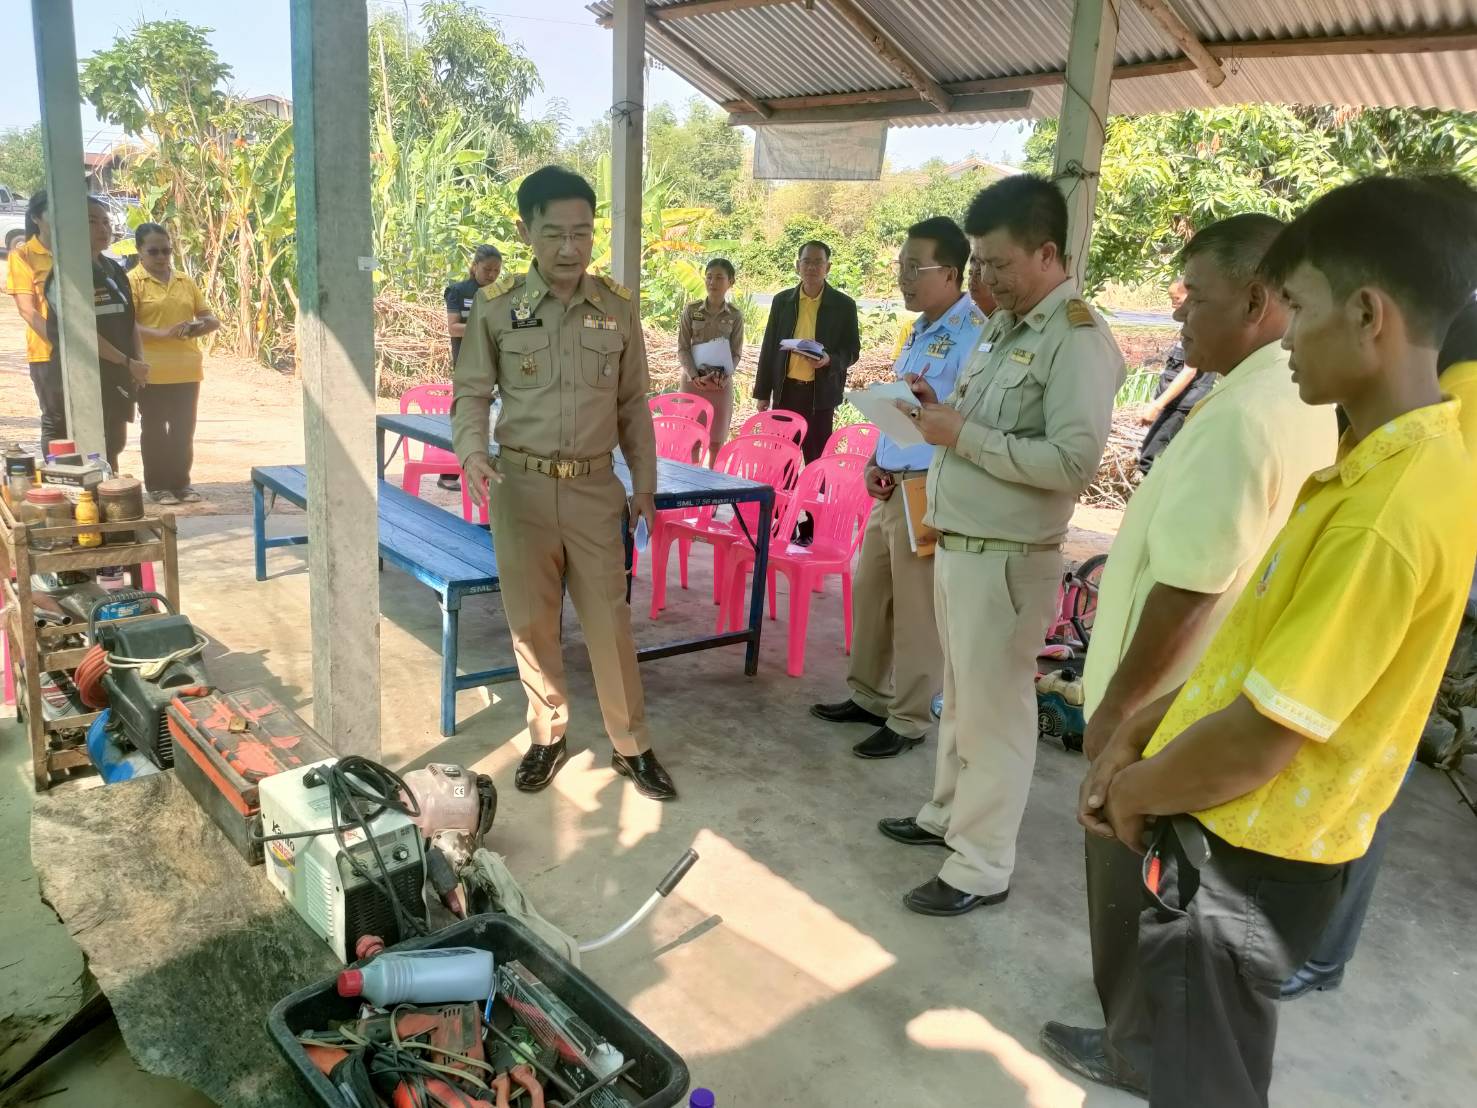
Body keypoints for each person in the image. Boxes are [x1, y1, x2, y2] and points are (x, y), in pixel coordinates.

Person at [1044, 175, 1477, 1107]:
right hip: (1230, 828)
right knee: (1196, 1054)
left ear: (1367, 315)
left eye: (1302, 305)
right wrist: (1143, 722)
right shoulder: (1373, 462)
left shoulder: (1389, 510)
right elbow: (1249, 651)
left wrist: (1134, 788)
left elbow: (1261, 735)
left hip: (1248, 851)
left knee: (1206, 1078)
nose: (1286, 332)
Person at [1043, 214, 1336, 1090]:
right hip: (1205, 700)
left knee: (1139, 881)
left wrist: (1116, 718)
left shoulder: (1246, 414)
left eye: (1195, 299)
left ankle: (1133, 1046)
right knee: (1174, 896)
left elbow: (1190, 589)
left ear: (1256, 299)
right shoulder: (1291, 395)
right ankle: (1147, 1034)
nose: (1179, 321)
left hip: (1168, 707)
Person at [877, 175, 1124, 916]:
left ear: (1046, 253)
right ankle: (947, 816)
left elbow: (1072, 463)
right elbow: (984, 429)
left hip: (1010, 557)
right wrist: (940, 416)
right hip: (962, 544)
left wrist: (965, 436)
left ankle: (980, 865)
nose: (982, 278)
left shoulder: (1076, 338)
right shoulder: (1005, 326)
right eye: (977, 264)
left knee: (997, 715)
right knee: (964, 704)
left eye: (996, 264)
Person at [451, 165, 674, 801]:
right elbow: (470, 395)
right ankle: (548, 736)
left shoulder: (617, 309)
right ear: (527, 233)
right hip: (519, 487)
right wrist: (471, 454)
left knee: (610, 620)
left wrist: (645, 487)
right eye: (555, 235)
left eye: (583, 233)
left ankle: (631, 746)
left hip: (596, 488)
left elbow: (634, 406)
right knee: (532, 623)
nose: (571, 249)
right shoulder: (497, 311)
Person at [1280, 291, 1477, 1001]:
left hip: (1418, 606)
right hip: (1419, 598)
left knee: (1360, 775)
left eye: (1301, 308)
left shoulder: (1457, 397)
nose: (1289, 335)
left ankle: (1320, 953)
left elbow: (1429, 521)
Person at [810, 217, 985, 760]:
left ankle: (908, 719)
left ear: (951, 272)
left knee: (915, 611)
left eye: (916, 268)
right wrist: (873, 459)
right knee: (872, 594)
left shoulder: (975, 334)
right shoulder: (921, 331)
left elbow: (965, 418)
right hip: (891, 485)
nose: (904, 278)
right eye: (901, 267)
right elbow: (902, 409)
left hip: (929, 489)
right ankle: (867, 695)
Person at [43, 196, 148, 474]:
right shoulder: (66, 275)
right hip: (77, 379)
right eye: (92, 221)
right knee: (73, 457)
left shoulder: (114, 269)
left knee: (111, 447)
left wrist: (138, 361)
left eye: (106, 221)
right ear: (74, 226)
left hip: (116, 378)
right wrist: (128, 362)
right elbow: (83, 333)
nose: (103, 228)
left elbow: (130, 321)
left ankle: (109, 502)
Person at [128, 222, 220, 504]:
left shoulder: (184, 281)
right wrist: (161, 333)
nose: (161, 257)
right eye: (153, 251)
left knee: (183, 429)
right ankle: (157, 486)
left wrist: (197, 327)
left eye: (166, 251)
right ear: (139, 252)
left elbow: (210, 318)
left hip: (186, 368)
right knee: (155, 429)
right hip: (151, 370)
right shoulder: (132, 281)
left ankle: (181, 484)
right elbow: (125, 324)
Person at [752, 240, 861, 464]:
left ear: (828, 267)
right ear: (797, 266)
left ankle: (814, 498)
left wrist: (830, 359)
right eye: (806, 262)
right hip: (786, 392)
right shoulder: (782, 301)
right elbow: (769, 346)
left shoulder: (844, 305)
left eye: (818, 262)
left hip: (820, 395)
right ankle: (783, 499)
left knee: (817, 458)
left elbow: (852, 350)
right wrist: (763, 392)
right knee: (782, 458)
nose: (812, 267)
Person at [1137, 279, 1217, 473]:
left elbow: (1188, 372)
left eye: (1176, 299)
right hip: (1174, 406)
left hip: (1180, 408)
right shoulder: (1190, 328)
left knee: (1150, 459)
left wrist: (1157, 405)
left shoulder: (1201, 331)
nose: (1174, 306)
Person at [442, 245, 504, 491]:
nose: (491, 275)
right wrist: (482, 328)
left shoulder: (500, 293)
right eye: (487, 269)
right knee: (467, 417)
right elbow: (453, 327)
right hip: (467, 363)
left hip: (496, 364)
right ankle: (450, 474)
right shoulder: (458, 291)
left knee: (494, 419)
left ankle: (490, 470)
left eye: (496, 271)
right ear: (475, 266)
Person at [6, 191, 64, 454]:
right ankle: (61, 480)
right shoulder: (24, 255)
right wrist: (61, 342)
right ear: (36, 218)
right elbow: (27, 310)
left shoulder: (74, 252)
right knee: (56, 420)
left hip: (87, 350)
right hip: (46, 353)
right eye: (53, 212)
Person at [676, 258, 745, 464]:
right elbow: (683, 348)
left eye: (719, 277)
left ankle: (713, 480)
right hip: (693, 382)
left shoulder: (735, 315)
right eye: (708, 277)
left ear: (730, 282)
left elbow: (736, 352)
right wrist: (694, 375)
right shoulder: (692, 310)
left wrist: (725, 376)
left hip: (719, 383)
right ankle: (692, 478)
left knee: (716, 440)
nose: (712, 282)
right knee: (692, 437)